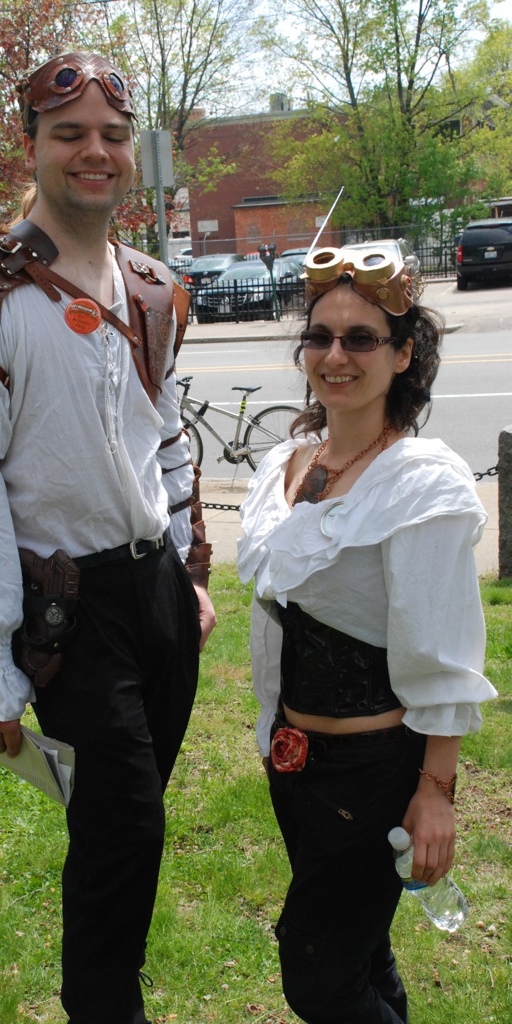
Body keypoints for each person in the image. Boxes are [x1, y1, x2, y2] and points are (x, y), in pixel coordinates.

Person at [0, 50, 216, 1024]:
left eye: (113, 136)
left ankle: (109, 992)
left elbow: (164, 435)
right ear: (31, 145)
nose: (96, 152)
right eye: (70, 133)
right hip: (68, 606)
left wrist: (190, 569)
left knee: (129, 820)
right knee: (122, 832)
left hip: (157, 592)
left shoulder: (152, 287)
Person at [236, 244, 497, 1024]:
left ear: (402, 353)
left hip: (371, 771)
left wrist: (434, 792)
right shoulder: (286, 463)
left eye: (360, 338)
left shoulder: (417, 484)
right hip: (292, 759)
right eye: (319, 337)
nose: (335, 356)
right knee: (360, 950)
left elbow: (443, 654)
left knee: (318, 977)